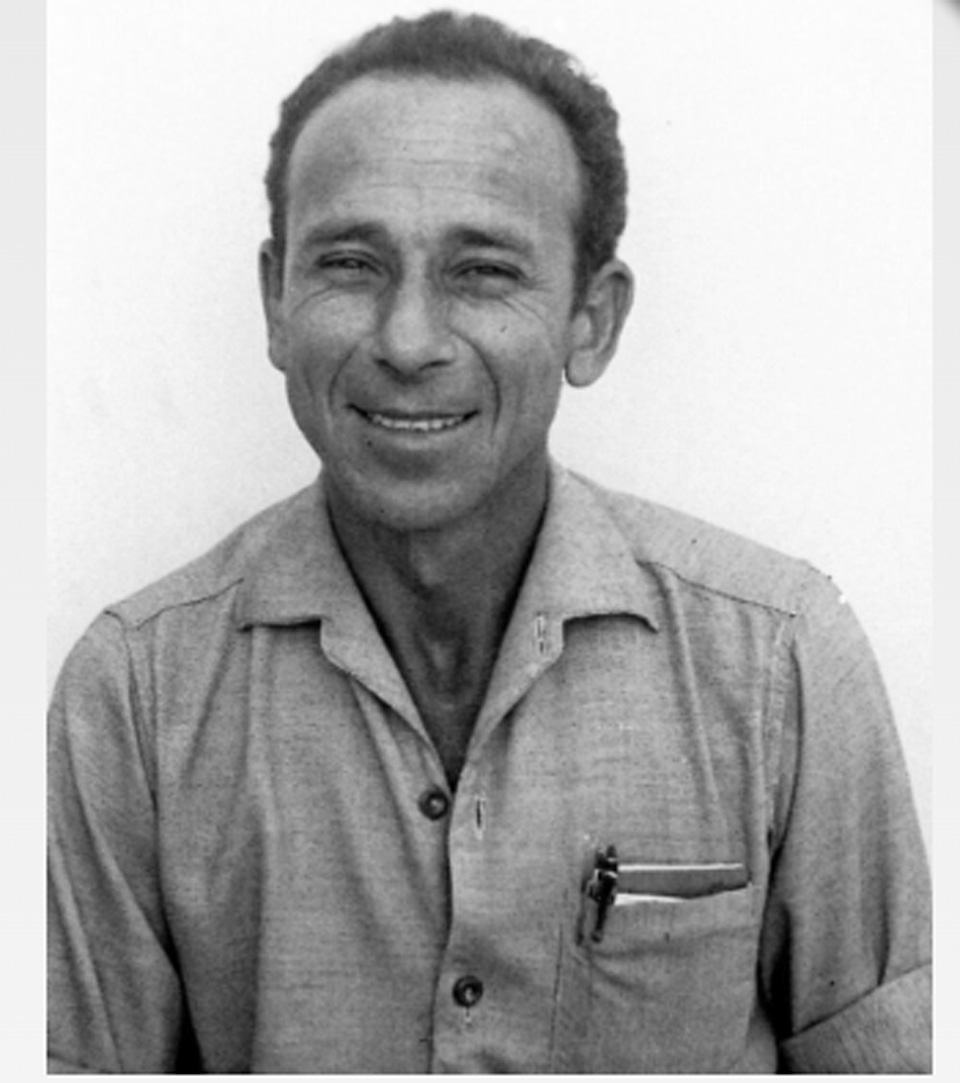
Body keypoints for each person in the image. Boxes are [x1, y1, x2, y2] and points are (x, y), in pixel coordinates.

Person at [47, 9, 931, 1074]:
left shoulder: (780, 663)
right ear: (276, 303)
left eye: (483, 271)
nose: (408, 341)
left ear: (590, 322)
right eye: (351, 263)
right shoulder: (135, 699)